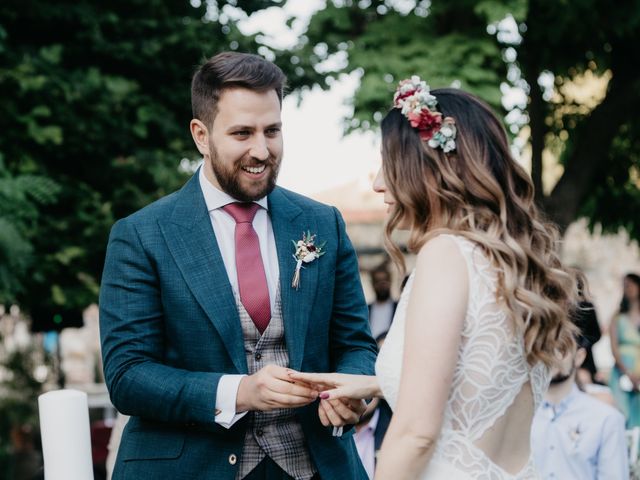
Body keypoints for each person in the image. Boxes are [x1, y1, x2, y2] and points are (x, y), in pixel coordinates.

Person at [99, 51, 377, 480]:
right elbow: (128, 375)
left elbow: (356, 344)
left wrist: (353, 392)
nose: (262, 150)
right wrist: (240, 392)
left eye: (273, 131)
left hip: (316, 466)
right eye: (242, 133)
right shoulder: (141, 235)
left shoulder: (323, 223)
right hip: (192, 468)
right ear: (201, 134)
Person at [290, 76, 578, 479]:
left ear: (429, 170)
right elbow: (477, 381)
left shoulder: (446, 254)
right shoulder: (510, 266)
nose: (377, 183)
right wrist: (373, 384)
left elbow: (416, 434)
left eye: (388, 165)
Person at [531, 336, 629, 479]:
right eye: (543, 347)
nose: (550, 355)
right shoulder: (516, 417)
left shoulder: (606, 419)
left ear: (579, 357)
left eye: (561, 348)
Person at [608, 272, 640, 428]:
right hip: (622, 372)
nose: (628, 289)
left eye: (631, 285)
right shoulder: (618, 317)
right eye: (625, 286)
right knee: (622, 413)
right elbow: (613, 348)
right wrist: (627, 372)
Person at [367, 264, 397, 339]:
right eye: (378, 281)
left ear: (390, 282)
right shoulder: (365, 310)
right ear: (373, 284)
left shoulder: (399, 308)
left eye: (384, 281)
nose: (382, 285)